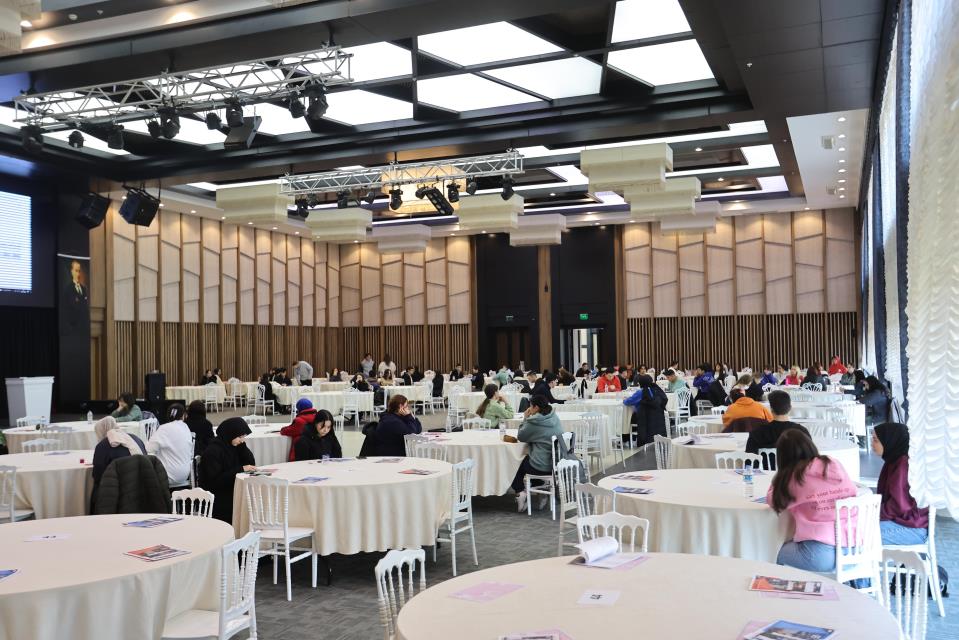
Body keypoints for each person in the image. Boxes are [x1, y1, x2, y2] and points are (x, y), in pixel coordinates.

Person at [768, 429, 857, 571]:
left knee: (769, 550)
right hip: (855, 548)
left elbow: (773, 501)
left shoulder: (796, 476)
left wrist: (779, 477)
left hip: (822, 554)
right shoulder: (832, 463)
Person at [872, 422, 929, 544]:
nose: (872, 444)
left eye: (876, 440)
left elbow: (899, 506)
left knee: (857, 534)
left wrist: (872, 513)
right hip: (904, 521)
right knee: (854, 529)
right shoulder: (894, 459)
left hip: (913, 528)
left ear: (889, 441)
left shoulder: (903, 465)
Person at [512, 395, 569, 512]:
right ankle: (541, 491)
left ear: (536, 407)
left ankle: (520, 492)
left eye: (530, 406)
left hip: (541, 465)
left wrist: (525, 418)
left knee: (515, 464)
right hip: (556, 464)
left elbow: (521, 436)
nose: (529, 408)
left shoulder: (534, 422)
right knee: (527, 461)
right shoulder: (554, 417)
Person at [199, 418, 256, 523]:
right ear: (230, 434)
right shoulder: (213, 451)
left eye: (243, 437)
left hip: (231, 488)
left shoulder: (234, 445)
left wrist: (242, 446)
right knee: (249, 501)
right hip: (217, 496)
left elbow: (251, 463)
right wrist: (240, 469)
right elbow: (215, 481)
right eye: (240, 437)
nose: (242, 440)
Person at [146, 403, 194, 488]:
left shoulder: (164, 428)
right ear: (183, 416)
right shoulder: (185, 427)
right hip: (185, 475)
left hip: (168, 476)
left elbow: (149, 449)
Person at [745, 390, 810, 453]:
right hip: (793, 461)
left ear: (771, 409)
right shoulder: (802, 432)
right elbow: (811, 457)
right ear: (790, 408)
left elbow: (749, 458)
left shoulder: (757, 433)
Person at [91, 416, 146, 486]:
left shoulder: (102, 446)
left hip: (117, 487)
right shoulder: (136, 438)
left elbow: (97, 475)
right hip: (143, 482)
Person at [623, 374, 668, 445]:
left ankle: (626, 439)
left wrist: (624, 399)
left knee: (628, 418)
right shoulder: (657, 390)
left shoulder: (641, 392)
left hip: (644, 418)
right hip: (659, 419)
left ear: (641, 383)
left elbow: (628, 402)